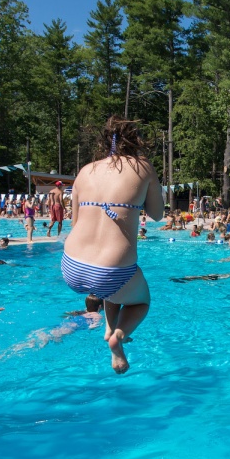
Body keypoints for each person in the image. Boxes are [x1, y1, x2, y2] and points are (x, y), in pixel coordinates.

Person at [61, 117, 165, 373]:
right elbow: (158, 214)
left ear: (104, 141)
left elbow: (74, 221)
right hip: (111, 270)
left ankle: (108, 328)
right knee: (141, 301)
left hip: (71, 266)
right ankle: (118, 335)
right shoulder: (142, 167)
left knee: (114, 287)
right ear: (136, 140)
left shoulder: (86, 170)